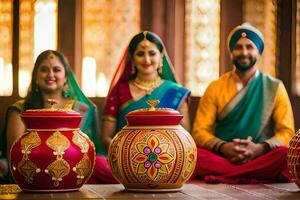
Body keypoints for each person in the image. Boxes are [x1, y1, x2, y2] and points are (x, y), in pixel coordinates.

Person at [191, 23, 295, 184]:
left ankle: (229, 175)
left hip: (261, 156)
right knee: (193, 154)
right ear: (231, 52)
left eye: (249, 47)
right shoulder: (216, 87)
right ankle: (245, 174)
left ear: (258, 52)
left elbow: (287, 132)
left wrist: (259, 148)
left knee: (283, 155)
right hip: (222, 156)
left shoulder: (274, 87)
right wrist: (223, 147)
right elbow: (199, 131)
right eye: (238, 47)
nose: (244, 52)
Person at [0, 50, 101, 183]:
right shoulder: (20, 110)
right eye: (44, 69)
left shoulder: (81, 111)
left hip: (73, 180)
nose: (50, 74)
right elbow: (15, 155)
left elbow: (87, 154)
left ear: (66, 77)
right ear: (36, 76)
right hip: (30, 180)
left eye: (57, 69)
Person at [100, 31, 191, 155]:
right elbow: (105, 138)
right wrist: (127, 153)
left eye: (152, 53)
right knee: (99, 165)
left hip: (166, 156)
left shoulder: (176, 92)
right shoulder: (120, 90)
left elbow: (185, 138)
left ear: (161, 56)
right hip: (125, 156)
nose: (147, 60)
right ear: (132, 58)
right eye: (140, 54)